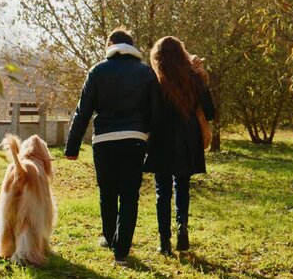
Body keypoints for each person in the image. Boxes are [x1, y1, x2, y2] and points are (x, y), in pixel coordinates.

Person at [64, 27, 159, 265]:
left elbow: (82, 111)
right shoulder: (146, 73)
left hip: (104, 141)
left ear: (110, 46)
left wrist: (72, 147)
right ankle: (122, 252)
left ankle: (109, 237)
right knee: (129, 195)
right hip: (135, 139)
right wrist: (149, 140)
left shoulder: (97, 71)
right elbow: (155, 112)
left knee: (107, 192)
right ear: (131, 47)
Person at [144, 36, 215, 255]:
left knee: (162, 191)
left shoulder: (155, 81)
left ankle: (164, 242)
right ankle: (182, 229)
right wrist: (202, 80)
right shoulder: (194, 78)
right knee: (182, 186)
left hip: (162, 138)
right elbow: (210, 113)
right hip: (187, 138)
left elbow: (149, 115)